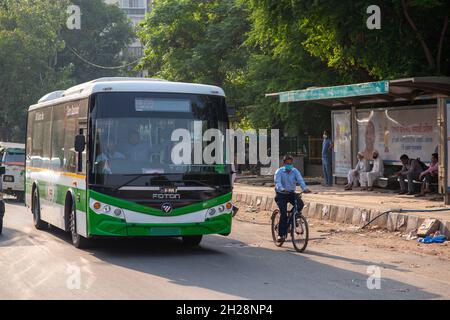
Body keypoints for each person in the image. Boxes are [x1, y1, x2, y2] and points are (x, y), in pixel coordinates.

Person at [274, 155, 311, 243]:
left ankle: (293, 217)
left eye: (290, 164)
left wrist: (304, 189)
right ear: (283, 164)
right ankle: (281, 234)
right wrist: (282, 188)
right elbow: (277, 182)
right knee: (283, 213)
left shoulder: (295, 171)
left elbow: (300, 180)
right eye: (287, 164)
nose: (289, 165)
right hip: (281, 194)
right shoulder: (279, 172)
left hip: (291, 193)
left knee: (300, 204)